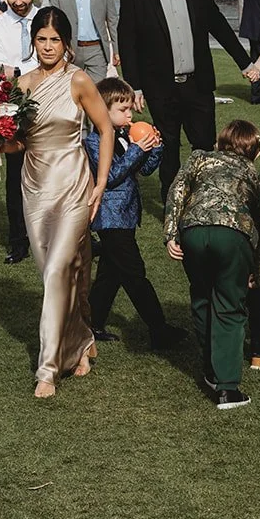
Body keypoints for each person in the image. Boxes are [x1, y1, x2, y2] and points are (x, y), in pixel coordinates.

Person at [10, 6, 115, 399]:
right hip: (34, 187)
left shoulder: (80, 81)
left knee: (57, 271)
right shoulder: (22, 85)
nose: (48, 46)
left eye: (55, 39)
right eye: (41, 39)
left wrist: (100, 183)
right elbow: (17, 141)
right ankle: (81, 338)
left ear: (66, 42)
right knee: (55, 273)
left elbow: (105, 129)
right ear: (33, 41)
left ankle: (48, 369)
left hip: (73, 182)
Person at [118, 0, 252, 200]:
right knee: (168, 148)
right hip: (161, 88)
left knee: (204, 145)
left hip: (197, 85)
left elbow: (220, 26)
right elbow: (127, 42)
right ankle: (173, 204)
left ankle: (204, 199)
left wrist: (245, 61)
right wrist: (135, 87)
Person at [164, 120, 260, 410]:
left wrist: (170, 235)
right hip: (233, 235)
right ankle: (227, 388)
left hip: (193, 231)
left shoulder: (198, 157)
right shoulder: (251, 172)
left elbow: (177, 191)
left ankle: (210, 369)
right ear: (253, 151)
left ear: (220, 142)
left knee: (202, 297)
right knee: (229, 305)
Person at [84, 77, 177, 348]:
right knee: (135, 274)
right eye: (123, 109)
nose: (130, 114)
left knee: (110, 275)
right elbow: (110, 175)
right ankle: (159, 329)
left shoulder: (124, 136)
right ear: (102, 111)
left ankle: (92, 323)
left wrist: (154, 149)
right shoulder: (94, 141)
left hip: (125, 215)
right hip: (109, 217)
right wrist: (137, 150)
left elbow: (144, 170)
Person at [0, 0, 41, 265]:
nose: (18, 2)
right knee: (16, 177)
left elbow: (60, 59)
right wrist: (29, 69)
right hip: (13, 110)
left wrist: (17, 69)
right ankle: (18, 240)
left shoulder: (48, 19)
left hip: (50, 106)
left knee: (55, 175)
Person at [49, 0, 115, 82]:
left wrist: (117, 50)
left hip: (96, 49)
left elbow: (112, 20)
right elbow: (55, 24)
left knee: (98, 93)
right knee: (71, 90)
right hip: (71, 49)